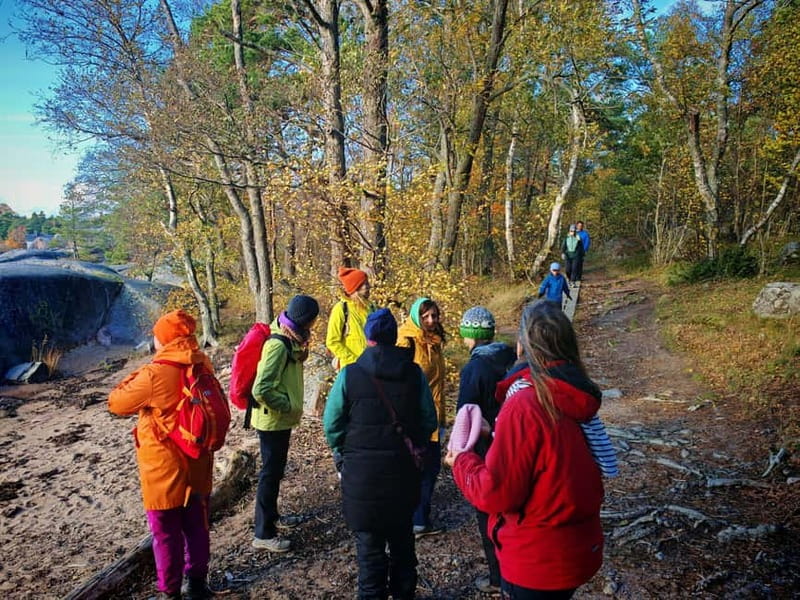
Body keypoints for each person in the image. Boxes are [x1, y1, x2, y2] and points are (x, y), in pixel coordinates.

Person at [445, 301, 605, 599]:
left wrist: (462, 461)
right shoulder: (571, 392)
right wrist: (495, 432)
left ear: (522, 346)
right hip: (578, 547)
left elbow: (496, 493)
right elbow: (551, 445)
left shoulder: (525, 402)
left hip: (537, 558)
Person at [323, 308, 437, 600]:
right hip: (403, 474)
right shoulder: (413, 373)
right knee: (403, 544)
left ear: (368, 338)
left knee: (370, 553)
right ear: (393, 336)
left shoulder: (350, 374)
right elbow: (428, 419)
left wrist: (341, 453)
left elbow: (332, 423)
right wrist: (418, 443)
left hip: (362, 478)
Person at [108, 309, 215, 600]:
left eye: (156, 335)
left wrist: (143, 368)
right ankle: (197, 585)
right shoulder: (202, 363)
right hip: (198, 461)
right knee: (197, 527)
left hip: (163, 469)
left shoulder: (155, 373)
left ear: (164, 340)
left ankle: (170, 592)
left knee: (165, 533)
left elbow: (117, 402)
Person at [251, 294, 320, 553]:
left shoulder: (290, 336)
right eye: (313, 319)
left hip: (278, 420)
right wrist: (288, 405)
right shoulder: (278, 345)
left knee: (275, 472)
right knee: (269, 475)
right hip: (272, 420)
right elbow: (261, 388)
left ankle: (273, 518)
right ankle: (263, 533)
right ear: (305, 320)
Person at [455, 306, 516, 595]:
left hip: (486, 446)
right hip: (515, 442)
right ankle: (515, 572)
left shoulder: (474, 368)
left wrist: (458, 452)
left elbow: (465, 413)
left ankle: (497, 578)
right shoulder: (511, 356)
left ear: (469, 334)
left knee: (487, 512)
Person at [397, 297, 446, 537]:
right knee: (424, 468)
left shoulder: (435, 341)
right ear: (416, 316)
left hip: (435, 414)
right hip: (417, 418)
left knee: (430, 468)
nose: (430, 320)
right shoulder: (406, 341)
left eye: (434, 316)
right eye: (425, 316)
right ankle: (417, 520)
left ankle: (418, 518)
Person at [326, 267, 376, 371]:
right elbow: (332, 342)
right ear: (355, 287)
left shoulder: (372, 307)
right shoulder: (341, 309)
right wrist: (353, 361)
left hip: (373, 367)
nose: (368, 286)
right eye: (364, 284)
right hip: (351, 369)